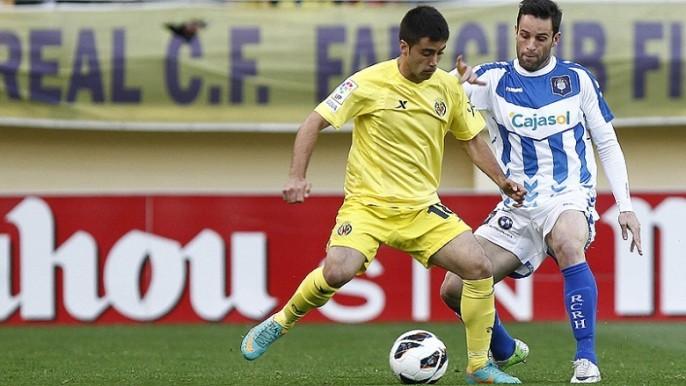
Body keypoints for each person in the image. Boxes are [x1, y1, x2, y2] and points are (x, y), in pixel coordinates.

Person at [241, 5, 527, 384]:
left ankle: (479, 366)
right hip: (367, 207)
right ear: (404, 46)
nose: (433, 61)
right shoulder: (368, 83)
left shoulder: (446, 87)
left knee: (477, 267)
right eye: (426, 52)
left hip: (422, 208)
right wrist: (297, 176)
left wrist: (502, 180)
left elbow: (472, 140)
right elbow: (313, 123)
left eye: (439, 53)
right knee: (337, 271)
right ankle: (281, 322)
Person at [441, 0, 643, 383]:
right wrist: (451, 84)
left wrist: (626, 206)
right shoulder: (490, 79)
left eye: (540, 38)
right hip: (517, 207)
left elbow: (606, 142)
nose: (530, 45)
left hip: (568, 196)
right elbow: (434, 102)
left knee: (569, 241)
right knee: (454, 288)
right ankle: (503, 348)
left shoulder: (577, 79)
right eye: (524, 36)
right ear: (515, 33)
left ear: (556, 39)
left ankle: (586, 359)